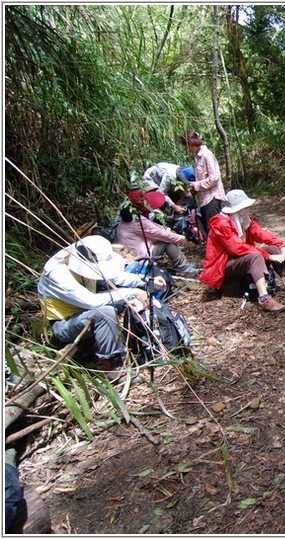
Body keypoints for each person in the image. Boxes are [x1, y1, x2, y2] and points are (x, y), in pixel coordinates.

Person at [37, 235, 167, 382]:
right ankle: (112, 366)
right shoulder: (57, 273)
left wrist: (144, 281)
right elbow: (90, 301)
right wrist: (131, 292)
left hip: (84, 313)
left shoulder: (87, 258)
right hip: (65, 323)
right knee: (105, 312)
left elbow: (113, 278)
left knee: (119, 301)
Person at [199, 189, 285, 313]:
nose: (248, 209)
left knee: (273, 249)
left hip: (239, 258)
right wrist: (268, 256)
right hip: (224, 264)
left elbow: (260, 233)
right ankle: (264, 298)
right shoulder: (221, 223)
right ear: (238, 209)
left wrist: (280, 245)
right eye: (246, 206)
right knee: (256, 256)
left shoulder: (243, 219)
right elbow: (236, 247)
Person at [115, 189, 200, 275]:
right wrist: (179, 237)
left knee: (165, 238)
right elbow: (159, 233)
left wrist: (167, 231)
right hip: (137, 257)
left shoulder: (129, 217)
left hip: (130, 253)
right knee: (168, 242)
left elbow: (152, 228)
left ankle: (183, 265)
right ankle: (184, 267)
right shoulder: (137, 221)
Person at [179, 129, 225, 240]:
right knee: (209, 228)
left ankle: (221, 255)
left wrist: (196, 185)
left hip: (212, 197)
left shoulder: (206, 155)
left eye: (186, 146)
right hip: (204, 198)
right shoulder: (197, 157)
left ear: (190, 143)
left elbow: (214, 177)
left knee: (214, 229)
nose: (187, 149)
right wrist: (196, 189)